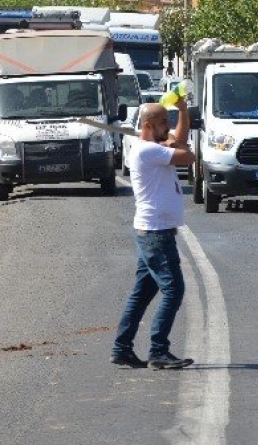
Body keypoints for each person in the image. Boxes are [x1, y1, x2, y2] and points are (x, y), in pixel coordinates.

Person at [111, 98, 196, 370]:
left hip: (153, 230)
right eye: (163, 123)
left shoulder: (151, 147)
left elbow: (179, 142)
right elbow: (188, 156)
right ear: (149, 125)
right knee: (173, 289)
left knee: (142, 292)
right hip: (156, 232)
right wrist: (174, 143)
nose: (168, 127)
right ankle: (159, 350)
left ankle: (121, 348)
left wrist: (182, 112)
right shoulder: (147, 151)